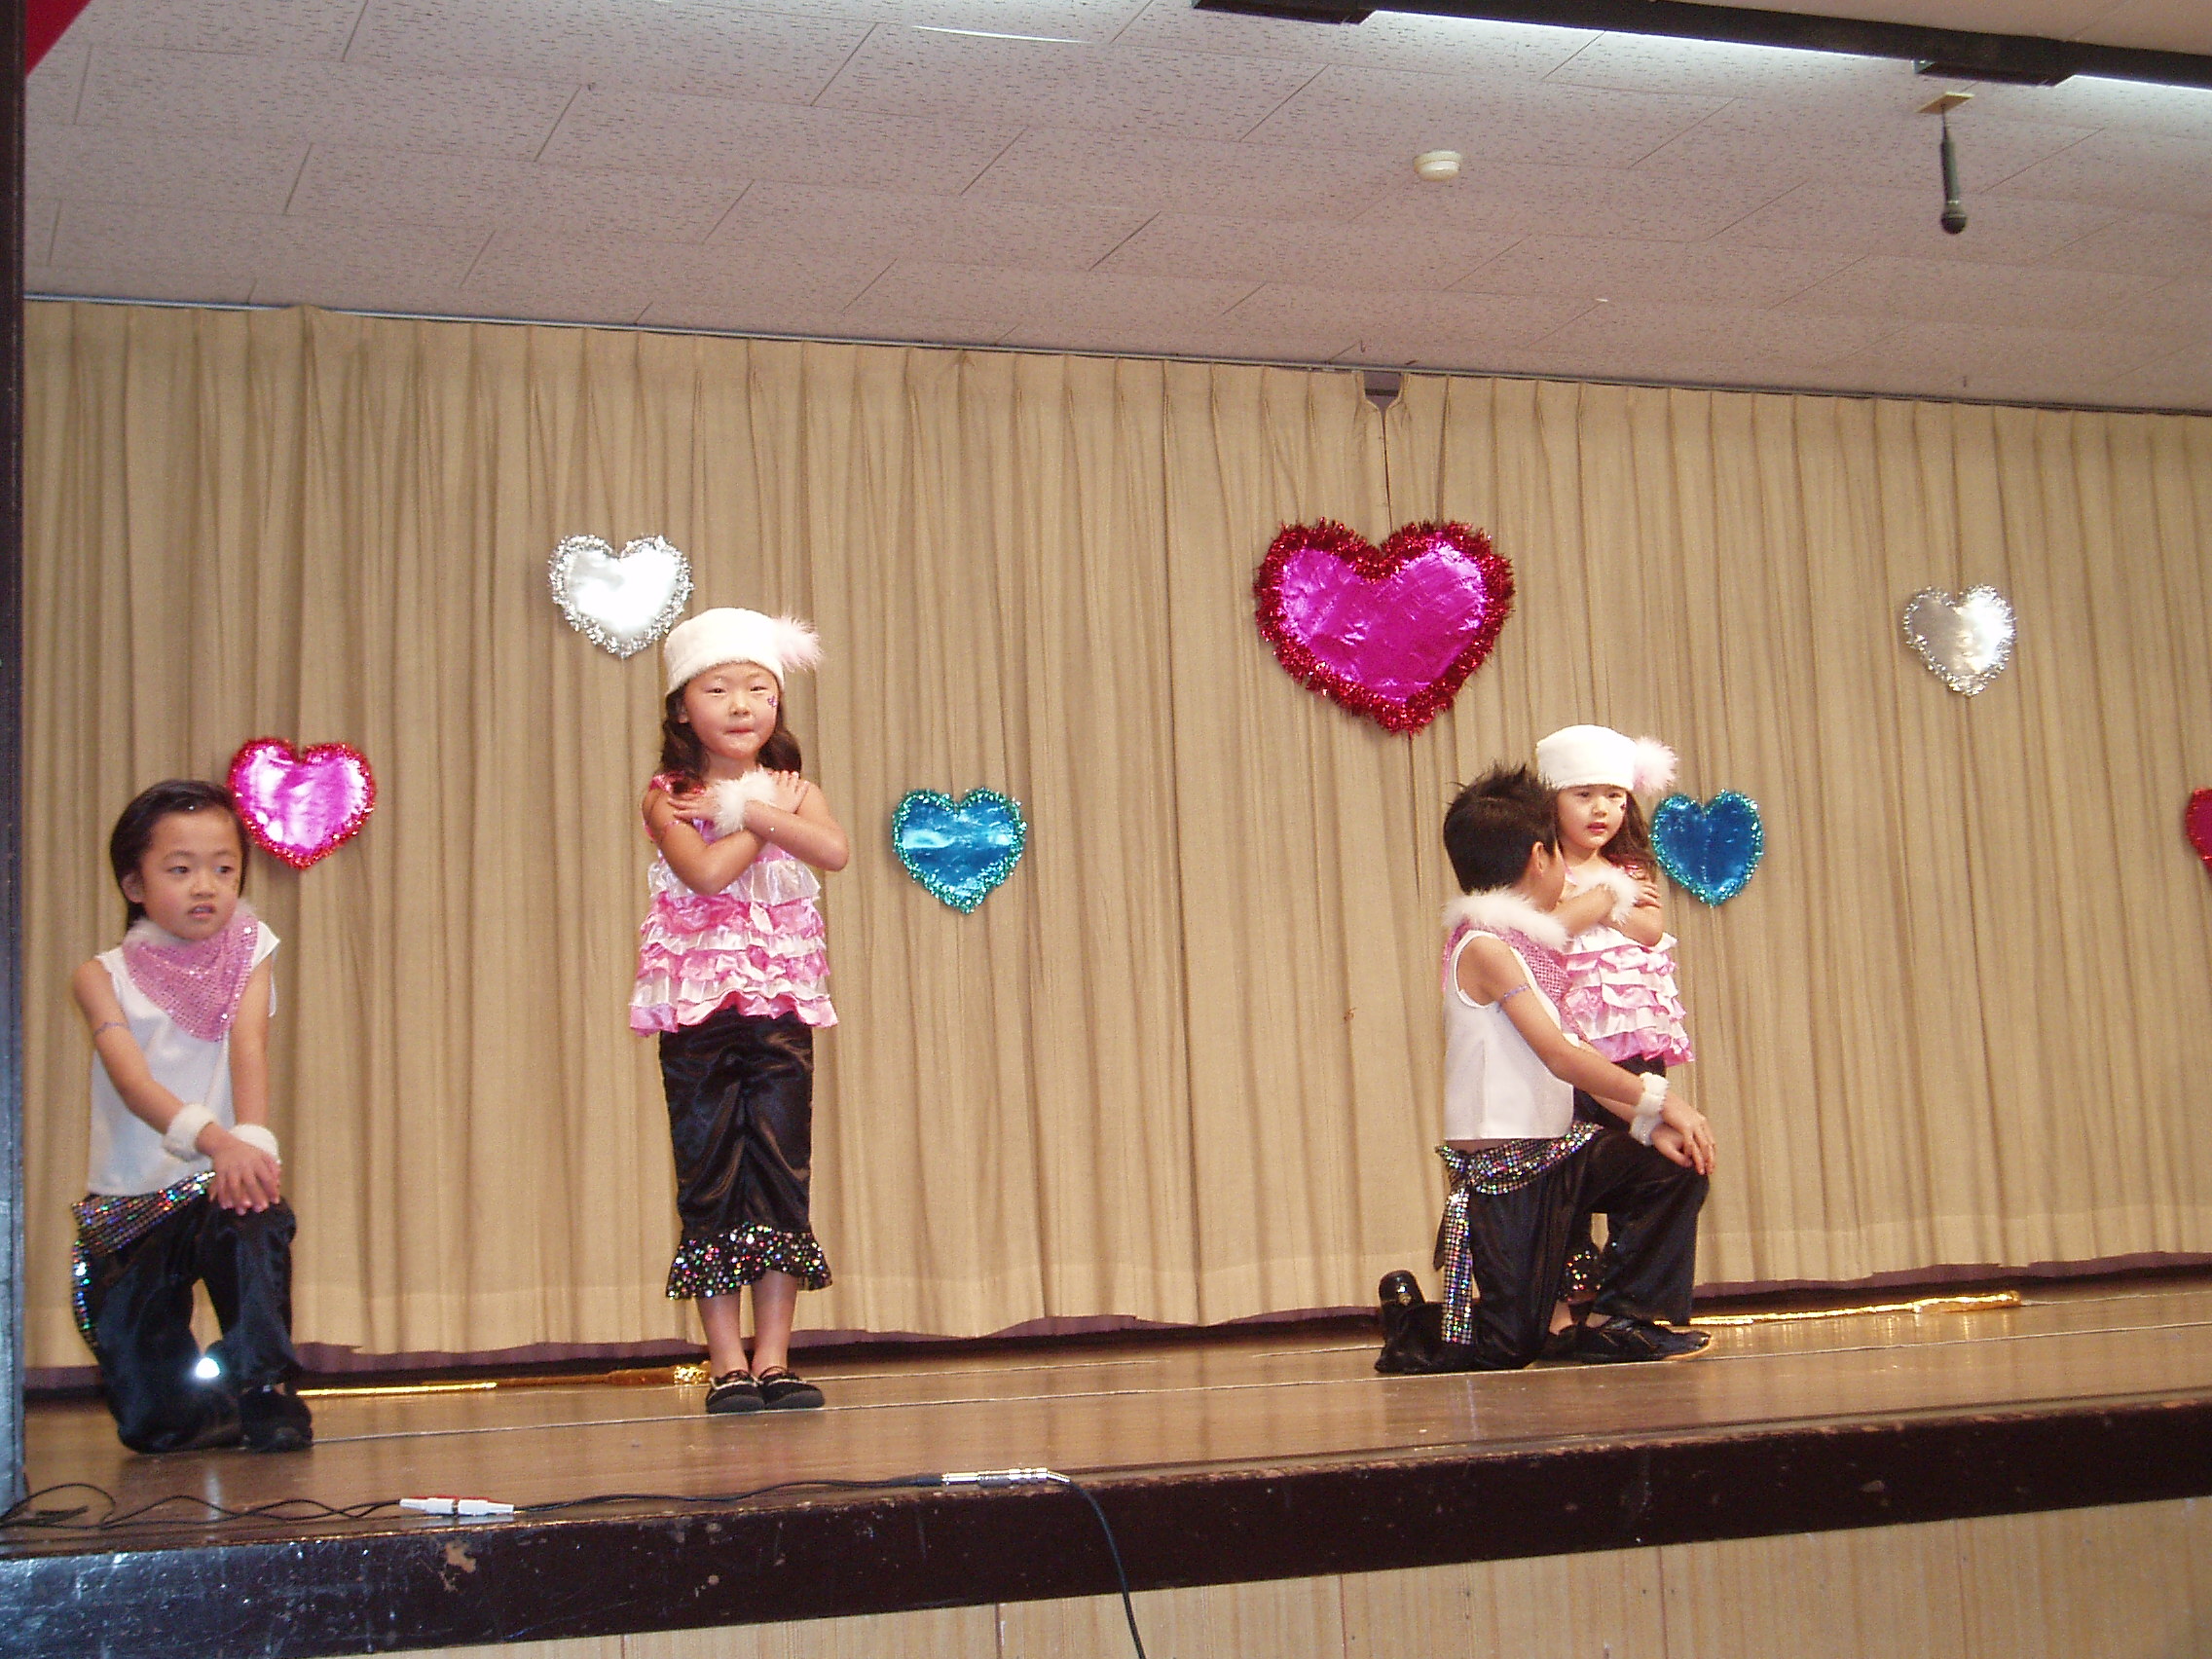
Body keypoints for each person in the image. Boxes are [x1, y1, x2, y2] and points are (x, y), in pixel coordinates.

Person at [1376, 765, 1715, 1374]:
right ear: (1541, 858)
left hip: (1559, 1152)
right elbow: (1561, 1056)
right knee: (1508, 1347)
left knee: (1671, 1168)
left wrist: (1648, 1124)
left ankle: (1621, 1322)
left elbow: (1578, 1047)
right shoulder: (1485, 947)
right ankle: (1411, 1320)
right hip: (1508, 1170)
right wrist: (1663, 1101)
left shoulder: (1527, 946)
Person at [633, 608, 849, 1415]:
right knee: (711, 1174)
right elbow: (706, 874)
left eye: (758, 688)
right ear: (682, 707)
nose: (741, 705)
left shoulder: (798, 792)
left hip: (779, 1009)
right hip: (697, 1014)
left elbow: (834, 850)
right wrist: (762, 817)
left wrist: (752, 809)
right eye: (718, 688)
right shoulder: (668, 796)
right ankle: (726, 1362)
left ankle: (776, 1358)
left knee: (780, 1171)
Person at [68, 780, 313, 1453]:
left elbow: (249, 1045)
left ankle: (262, 1388)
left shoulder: (251, 948)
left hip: (217, 1181)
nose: (206, 886)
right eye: (180, 869)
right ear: (135, 884)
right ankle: (196, 1407)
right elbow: (132, 1082)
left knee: (256, 1222)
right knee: (155, 1427)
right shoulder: (100, 976)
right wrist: (215, 1139)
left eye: (224, 869)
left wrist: (250, 1145)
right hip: (131, 1200)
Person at [1535, 723, 1695, 1334]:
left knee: (1661, 1162)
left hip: (1630, 1050)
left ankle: (1627, 1309)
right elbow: (1544, 928)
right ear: (1552, 800)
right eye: (1583, 795)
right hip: (1565, 1051)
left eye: (1615, 796)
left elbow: (1649, 930)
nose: (1601, 809)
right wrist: (1604, 903)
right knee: (1563, 1180)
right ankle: (1554, 1309)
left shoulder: (1627, 869)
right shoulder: (1543, 869)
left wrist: (1602, 900)